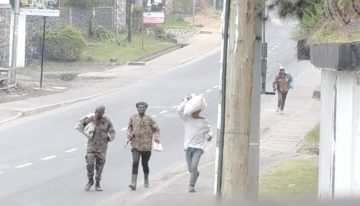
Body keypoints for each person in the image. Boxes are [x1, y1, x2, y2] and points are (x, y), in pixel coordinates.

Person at [177, 95, 213, 193]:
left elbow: (209, 130)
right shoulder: (187, 119)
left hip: (198, 148)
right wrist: (185, 101)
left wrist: (209, 136)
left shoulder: (204, 121)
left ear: (198, 111)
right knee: (191, 169)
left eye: (195, 111)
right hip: (188, 148)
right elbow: (179, 111)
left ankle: (191, 186)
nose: (193, 113)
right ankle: (195, 174)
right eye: (192, 112)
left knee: (193, 166)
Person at [81, 105, 116, 192]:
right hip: (91, 145)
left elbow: (112, 132)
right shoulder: (90, 119)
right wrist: (86, 132)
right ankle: (90, 181)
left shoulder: (107, 121)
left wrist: (108, 137)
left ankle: (97, 183)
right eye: (96, 112)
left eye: (99, 112)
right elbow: (81, 125)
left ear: (103, 113)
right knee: (89, 163)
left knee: (99, 166)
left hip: (102, 147)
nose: (97, 114)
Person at [127, 102, 160, 190]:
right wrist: (129, 135)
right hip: (136, 145)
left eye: (143, 107)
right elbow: (129, 128)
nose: (141, 109)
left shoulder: (149, 119)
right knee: (135, 162)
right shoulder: (132, 118)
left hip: (146, 146)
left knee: (144, 164)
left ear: (145, 109)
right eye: (139, 107)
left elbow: (156, 129)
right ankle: (133, 182)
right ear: (137, 109)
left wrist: (156, 137)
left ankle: (146, 178)